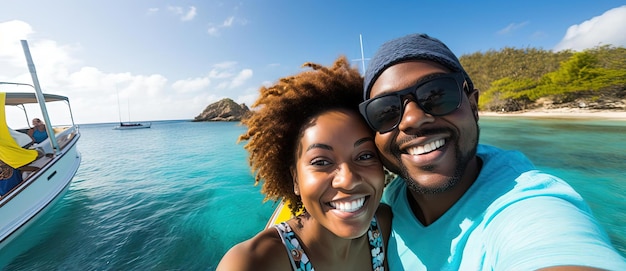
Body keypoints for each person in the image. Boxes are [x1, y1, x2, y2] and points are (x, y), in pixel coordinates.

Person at [359, 33, 626, 270]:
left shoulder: (525, 202)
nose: (412, 119)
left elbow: (555, 245)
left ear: (474, 106)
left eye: (436, 94)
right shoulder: (385, 204)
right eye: (386, 111)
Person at [217, 56, 391, 271]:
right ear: (295, 179)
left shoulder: (387, 224)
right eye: (321, 161)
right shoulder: (254, 262)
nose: (348, 179)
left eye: (365, 156)